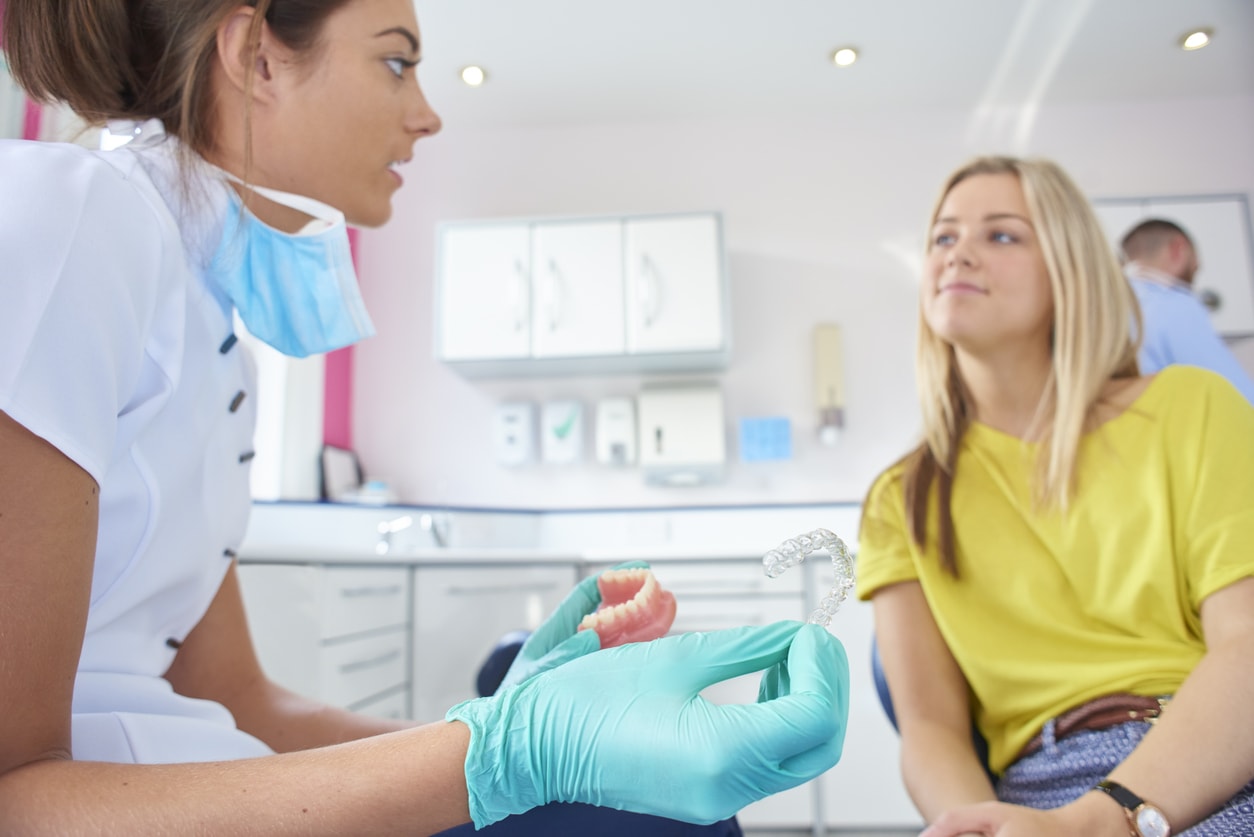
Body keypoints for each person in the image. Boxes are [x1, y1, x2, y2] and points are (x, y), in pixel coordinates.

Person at [0, 1, 850, 833]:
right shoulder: (76, 216)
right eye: (396, 61)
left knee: (652, 806)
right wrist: (510, 754)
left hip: (200, 775)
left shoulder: (213, 332)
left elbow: (243, 701)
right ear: (256, 56)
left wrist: (507, 726)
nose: (429, 114)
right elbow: (15, 792)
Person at [857, 156, 1254, 836]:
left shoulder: (1193, 409)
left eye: (1002, 235)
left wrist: (1106, 819)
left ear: (1070, 269)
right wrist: (977, 825)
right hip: (1037, 786)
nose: (959, 255)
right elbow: (929, 727)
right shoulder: (902, 497)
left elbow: (1246, 647)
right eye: (943, 238)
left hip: (1207, 750)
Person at [1120, 217, 1254, 405]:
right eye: (1195, 266)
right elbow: (1237, 396)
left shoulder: (1107, 304)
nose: (1195, 271)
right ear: (1178, 248)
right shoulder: (1172, 303)